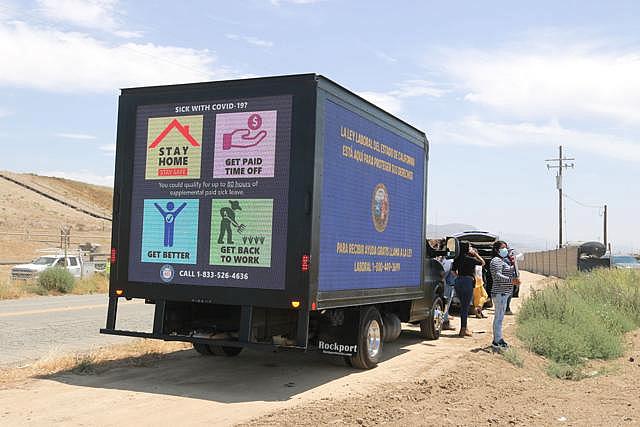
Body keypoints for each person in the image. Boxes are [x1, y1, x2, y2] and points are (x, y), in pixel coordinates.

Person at [489, 241, 521, 350]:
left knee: (500, 318)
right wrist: (512, 281)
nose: (505, 250)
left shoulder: (502, 261)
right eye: (503, 248)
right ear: (497, 250)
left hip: (503, 293)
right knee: (498, 318)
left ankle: (498, 339)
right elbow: (498, 275)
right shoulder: (496, 261)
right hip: (499, 293)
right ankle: (497, 340)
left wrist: (514, 263)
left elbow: (510, 271)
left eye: (506, 248)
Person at [451, 241, 485, 337]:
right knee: (465, 307)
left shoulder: (457, 259)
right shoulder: (470, 259)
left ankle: (464, 327)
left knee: (463, 305)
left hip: (458, 281)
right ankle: (463, 329)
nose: (471, 248)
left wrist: (459, 277)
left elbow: (453, 271)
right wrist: (476, 254)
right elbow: (483, 263)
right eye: (470, 247)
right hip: (467, 282)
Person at [438, 255, 456, 330]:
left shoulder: (446, 260)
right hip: (447, 285)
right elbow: (444, 273)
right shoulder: (449, 261)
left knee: (446, 305)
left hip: (447, 284)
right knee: (446, 304)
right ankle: (445, 323)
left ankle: (445, 320)